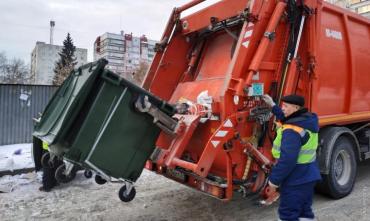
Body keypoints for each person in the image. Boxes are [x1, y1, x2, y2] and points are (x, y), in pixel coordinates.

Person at [262, 94, 321, 221]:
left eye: (285, 106)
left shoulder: (291, 130)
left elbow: (287, 161)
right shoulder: (306, 120)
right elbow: (285, 117)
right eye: (282, 105)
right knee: (304, 212)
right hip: (309, 175)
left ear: (295, 108)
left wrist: (273, 182)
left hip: (295, 179)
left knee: (288, 215)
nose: (283, 108)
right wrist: (272, 105)